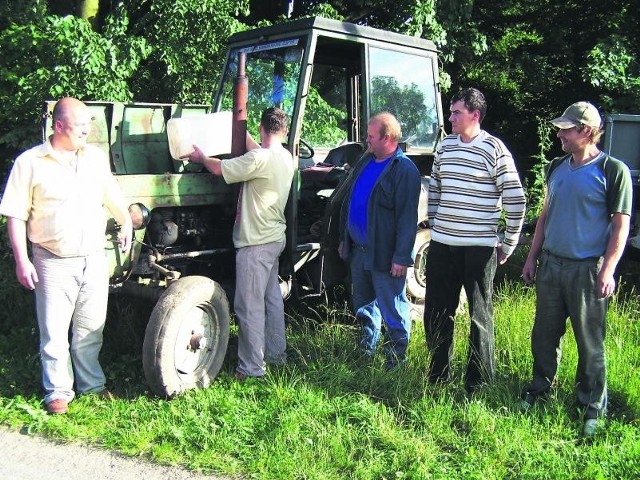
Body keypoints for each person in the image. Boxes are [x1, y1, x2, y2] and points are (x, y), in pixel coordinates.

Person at [0, 97, 132, 414]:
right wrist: (22, 259)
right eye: (80, 128)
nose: (87, 133)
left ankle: (92, 385)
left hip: (92, 257)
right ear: (58, 126)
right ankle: (58, 391)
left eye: (88, 127)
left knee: (90, 327)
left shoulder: (95, 158)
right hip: (51, 259)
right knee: (54, 330)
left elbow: (111, 194)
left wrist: (125, 219)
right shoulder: (30, 162)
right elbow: (15, 215)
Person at [519, 101, 632, 436]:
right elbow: (545, 215)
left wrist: (608, 269)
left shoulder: (613, 171)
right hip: (552, 266)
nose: (560, 134)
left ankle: (591, 407)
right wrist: (531, 257)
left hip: (587, 270)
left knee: (589, 344)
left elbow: (621, 225)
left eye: (566, 129)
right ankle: (539, 390)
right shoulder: (555, 166)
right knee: (543, 336)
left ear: (585, 131)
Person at [424, 87, 526, 393]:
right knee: (438, 312)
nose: (451, 118)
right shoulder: (445, 146)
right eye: (451, 111)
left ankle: (478, 383)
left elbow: (516, 199)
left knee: (479, 316)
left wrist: (508, 243)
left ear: (475, 115)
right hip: (443, 245)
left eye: (457, 112)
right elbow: (436, 188)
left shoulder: (493, 149)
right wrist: (434, 226)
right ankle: (438, 375)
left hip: (479, 248)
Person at [182, 107, 294, 380]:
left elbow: (220, 169)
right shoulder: (285, 157)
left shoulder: (259, 158)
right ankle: (277, 355)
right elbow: (258, 152)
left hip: (255, 243)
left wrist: (201, 157)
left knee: (249, 306)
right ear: (285, 130)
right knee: (271, 300)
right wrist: (239, 131)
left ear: (262, 127)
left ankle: (252, 368)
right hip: (274, 238)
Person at [338, 112, 421, 369]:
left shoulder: (403, 170)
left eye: (371, 136)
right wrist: (345, 239)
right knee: (363, 304)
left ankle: (396, 361)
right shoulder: (366, 162)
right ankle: (367, 352)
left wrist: (401, 257)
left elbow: (407, 219)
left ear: (387, 137)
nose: (367, 140)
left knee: (392, 308)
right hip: (359, 250)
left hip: (385, 254)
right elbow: (349, 203)